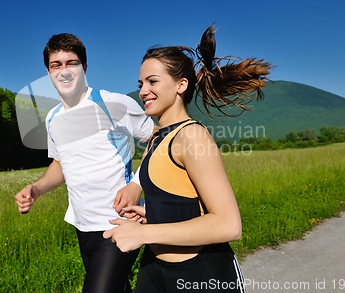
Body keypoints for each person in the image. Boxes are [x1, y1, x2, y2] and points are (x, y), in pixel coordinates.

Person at [103, 25, 272, 292]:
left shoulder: (191, 136)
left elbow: (229, 225)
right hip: (154, 269)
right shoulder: (157, 138)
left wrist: (144, 234)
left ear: (181, 85)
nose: (143, 91)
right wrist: (151, 216)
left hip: (200, 272)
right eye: (140, 84)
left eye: (152, 81)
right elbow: (185, 204)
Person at [14, 33, 155, 293]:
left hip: (118, 222)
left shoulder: (113, 103)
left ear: (85, 67)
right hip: (83, 226)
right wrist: (36, 188)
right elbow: (60, 163)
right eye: (57, 65)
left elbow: (157, 138)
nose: (64, 71)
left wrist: (137, 185)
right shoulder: (53, 118)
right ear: (48, 72)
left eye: (72, 63)